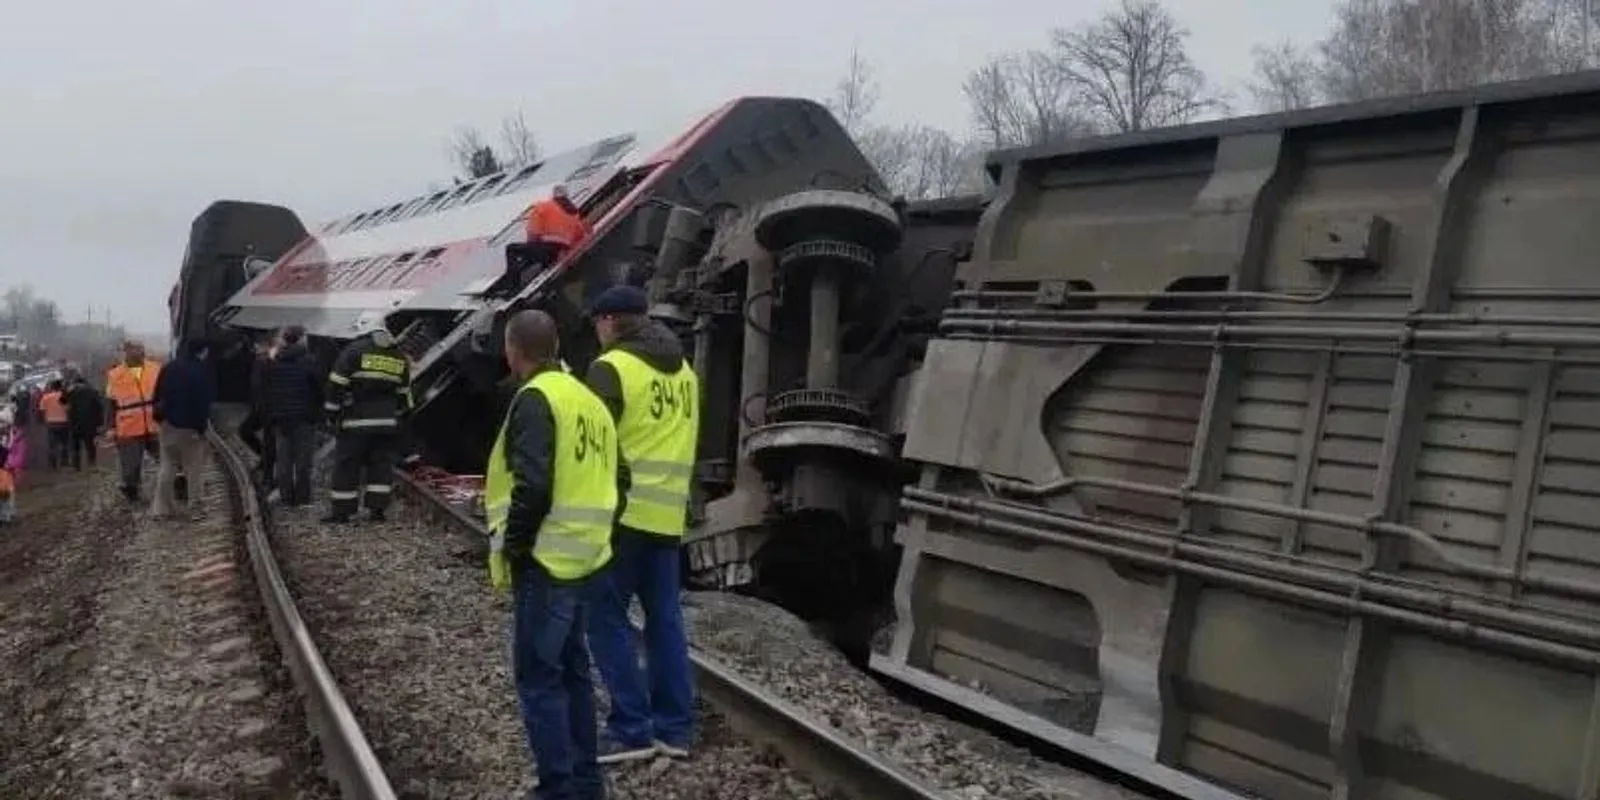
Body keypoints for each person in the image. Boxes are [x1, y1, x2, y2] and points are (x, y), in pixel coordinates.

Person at [485, 309, 622, 800]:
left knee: (539, 679)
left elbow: (533, 485)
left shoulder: (535, 399)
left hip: (545, 560)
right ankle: (586, 783)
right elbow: (619, 479)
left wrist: (517, 546)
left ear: (512, 349)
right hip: (586, 557)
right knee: (574, 672)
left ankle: (557, 789)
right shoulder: (587, 400)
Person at [580, 285, 699, 763]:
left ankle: (630, 728)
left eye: (597, 324)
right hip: (667, 518)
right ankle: (676, 728)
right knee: (664, 622)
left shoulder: (611, 368)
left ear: (609, 321)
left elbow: (590, 446)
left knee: (603, 619)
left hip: (620, 517)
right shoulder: (686, 373)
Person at [323, 317, 411, 523]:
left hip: (356, 423)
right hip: (386, 425)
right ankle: (377, 511)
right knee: (381, 466)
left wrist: (331, 414)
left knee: (347, 466)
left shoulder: (354, 351)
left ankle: (342, 512)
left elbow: (336, 384)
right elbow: (404, 394)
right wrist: (396, 418)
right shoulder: (398, 357)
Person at [150, 338, 215, 519]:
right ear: (202, 351)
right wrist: (201, 428)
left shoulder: (168, 368)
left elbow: (156, 395)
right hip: (190, 428)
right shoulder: (200, 371)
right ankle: (195, 508)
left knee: (167, 466)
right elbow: (203, 402)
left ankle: (161, 509)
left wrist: (160, 419)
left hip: (168, 425)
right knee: (193, 469)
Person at [260, 325, 321, 505]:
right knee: (303, 462)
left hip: (281, 419)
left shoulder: (273, 363)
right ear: (301, 339)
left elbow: (266, 391)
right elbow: (318, 390)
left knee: (284, 460)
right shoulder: (308, 362)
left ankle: (286, 496)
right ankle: (302, 498)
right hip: (303, 419)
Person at [105, 341, 162, 502]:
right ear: (126, 352)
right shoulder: (115, 374)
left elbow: (165, 393)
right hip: (128, 427)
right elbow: (111, 403)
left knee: (167, 459)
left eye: (139, 349)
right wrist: (110, 427)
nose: (136, 353)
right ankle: (131, 490)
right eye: (132, 350)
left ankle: (179, 483)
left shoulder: (155, 369)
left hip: (155, 423)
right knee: (131, 465)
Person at [506, 184, 591, 291]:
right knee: (530, 263)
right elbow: (580, 236)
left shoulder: (543, 207)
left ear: (553, 195)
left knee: (511, 249)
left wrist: (530, 248)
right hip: (557, 253)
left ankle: (512, 286)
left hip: (543, 249)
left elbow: (533, 234)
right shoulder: (574, 214)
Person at [63, 369, 104, 470]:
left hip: (75, 421)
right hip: (90, 422)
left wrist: (66, 389)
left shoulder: (71, 392)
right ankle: (92, 464)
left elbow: (62, 401)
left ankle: (76, 465)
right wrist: (100, 422)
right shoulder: (93, 391)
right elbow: (99, 407)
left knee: (75, 445)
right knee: (90, 444)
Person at [36, 379, 69, 469]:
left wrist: (42, 421)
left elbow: (41, 410)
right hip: (63, 422)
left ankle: (53, 463)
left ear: (51, 387)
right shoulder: (64, 396)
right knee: (64, 443)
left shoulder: (46, 397)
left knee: (52, 444)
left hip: (51, 423)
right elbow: (68, 409)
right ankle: (64, 461)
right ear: (60, 387)